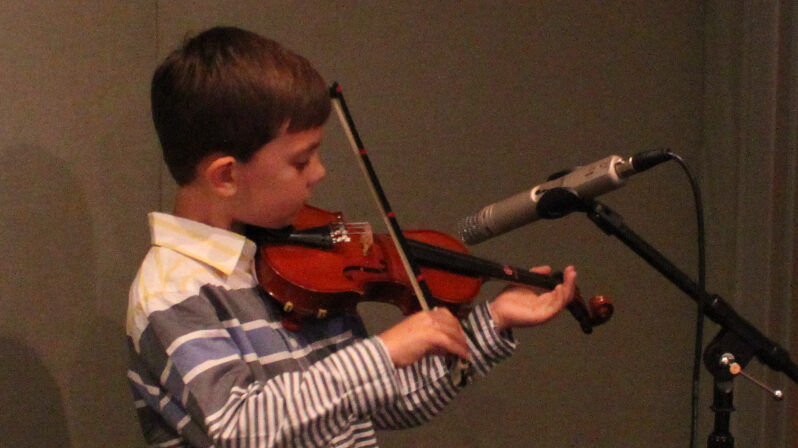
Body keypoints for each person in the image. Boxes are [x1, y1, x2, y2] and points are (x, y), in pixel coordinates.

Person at [126, 26, 577, 448]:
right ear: (226, 176)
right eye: (301, 162)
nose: (319, 173)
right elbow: (240, 429)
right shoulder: (173, 291)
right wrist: (382, 352)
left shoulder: (294, 260)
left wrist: (490, 323)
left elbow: (384, 400)